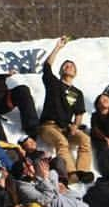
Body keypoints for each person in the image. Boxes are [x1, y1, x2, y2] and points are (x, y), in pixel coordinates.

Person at [38, 36, 92, 182]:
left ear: (75, 72)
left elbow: (79, 113)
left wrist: (75, 125)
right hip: (48, 126)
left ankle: (83, 171)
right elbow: (47, 66)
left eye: (72, 66)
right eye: (66, 65)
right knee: (62, 142)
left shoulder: (77, 93)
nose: (69, 67)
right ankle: (70, 173)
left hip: (66, 127)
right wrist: (58, 47)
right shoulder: (53, 83)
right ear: (61, 70)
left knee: (85, 139)